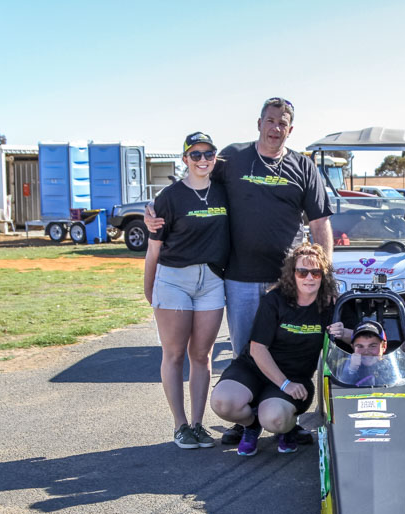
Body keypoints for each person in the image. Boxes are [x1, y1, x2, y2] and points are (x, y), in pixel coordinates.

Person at [145, 97, 334, 446]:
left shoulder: (304, 167)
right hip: (240, 277)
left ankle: (283, 417)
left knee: (292, 349)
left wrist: (324, 273)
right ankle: (246, 421)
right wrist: (157, 211)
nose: (276, 128)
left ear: (291, 129)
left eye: (283, 123)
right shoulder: (233, 159)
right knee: (246, 351)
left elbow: (320, 223)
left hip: (288, 281)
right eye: (270, 120)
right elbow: (196, 181)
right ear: (259, 123)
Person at [144, 132, 230, 449]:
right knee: (175, 354)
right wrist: (150, 290)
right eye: (195, 154)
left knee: (202, 355)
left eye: (208, 154)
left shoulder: (224, 191)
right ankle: (180, 425)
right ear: (185, 159)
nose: (202, 160)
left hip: (212, 281)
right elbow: (153, 249)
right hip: (173, 280)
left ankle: (197, 424)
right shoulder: (169, 197)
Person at [210, 243, 337, 456]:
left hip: (295, 377)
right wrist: (284, 384)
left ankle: (286, 429)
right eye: (302, 272)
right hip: (255, 368)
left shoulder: (330, 305)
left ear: (323, 276)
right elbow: (258, 348)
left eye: (316, 272)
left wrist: (345, 332)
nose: (309, 278)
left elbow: (357, 340)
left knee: (275, 419)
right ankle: (251, 425)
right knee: (223, 402)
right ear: (292, 274)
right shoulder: (275, 300)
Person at [327, 320, 390, 386]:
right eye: (360, 346)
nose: (366, 352)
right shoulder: (341, 366)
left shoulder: (391, 367)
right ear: (353, 347)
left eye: (372, 346)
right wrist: (351, 370)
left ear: (384, 346)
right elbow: (338, 388)